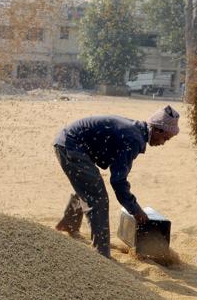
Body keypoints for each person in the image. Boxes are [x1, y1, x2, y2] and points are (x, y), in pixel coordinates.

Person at [54, 105, 180, 258]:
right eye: (165, 138)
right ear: (158, 129)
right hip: (71, 145)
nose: (163, 143)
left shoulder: (136, 132)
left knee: (88, 186)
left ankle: (68, 224)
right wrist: (136, 210)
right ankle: (101, 255)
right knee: (97, 197)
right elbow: (118, 181)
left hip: (72, 142)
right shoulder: (134, 139)